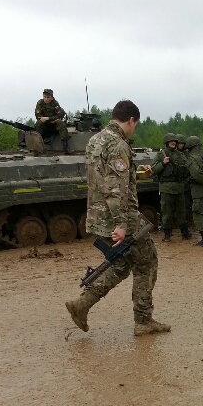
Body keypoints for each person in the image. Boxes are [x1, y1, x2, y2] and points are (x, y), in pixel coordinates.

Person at [65, 100, 170, 336]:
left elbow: (105, 176)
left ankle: (81, 304)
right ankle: (143, 320)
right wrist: (122, 225)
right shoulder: (118, 144)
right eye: (136, 124)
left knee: (121, 265)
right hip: (120, 217)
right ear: (131, 120)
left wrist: (135, 171)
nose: (135, 129)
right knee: (147, 262)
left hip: (99, 216)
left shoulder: (95, 140)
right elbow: (115, 187)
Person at [151, 132, 191, 241]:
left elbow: (187, 169)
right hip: (166, 188)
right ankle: (167, 235)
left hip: (179, 187)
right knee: (166, 212)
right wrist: (163, 164)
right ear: (166, 142)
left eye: (175, 141)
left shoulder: (181, 155)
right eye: (171, 141)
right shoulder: (160, 155)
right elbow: (153, 170)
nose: (173, 142)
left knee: (182, 211)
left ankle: (184, 232)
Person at [34, 88, 70, 152]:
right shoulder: (40, 103)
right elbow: (38, 116)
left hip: (54, 125)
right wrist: (44, 119)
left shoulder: (55, 104)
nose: (46, 99)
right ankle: (37, 147)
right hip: (44, 125)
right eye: (45, 97)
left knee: (61, 123)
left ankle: (66, 147)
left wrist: (48, 118)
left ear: (52, 97)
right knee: (38, 123)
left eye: (48, 97)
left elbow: (59, 115)